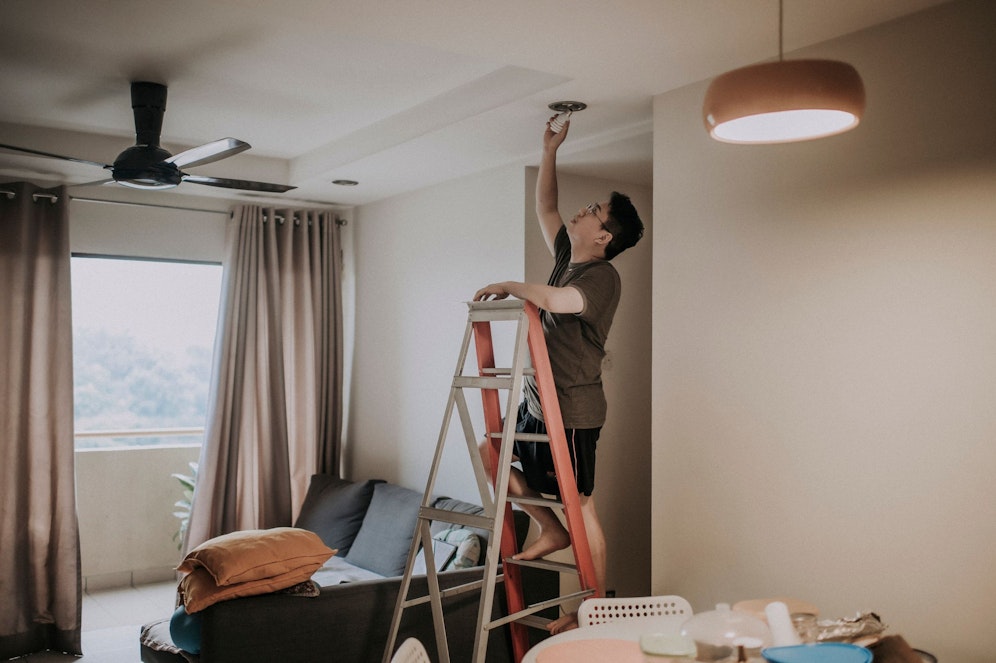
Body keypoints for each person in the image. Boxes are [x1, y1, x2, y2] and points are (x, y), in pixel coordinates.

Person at [473, 114, 644, 633]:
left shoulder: (601, 276)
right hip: (536, 401)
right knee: (491, 452)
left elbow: (560, 301)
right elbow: (546, 205)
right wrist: (549, 151)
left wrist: (509, 282)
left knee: (582, 504)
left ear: (605, 234)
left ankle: (587, 611)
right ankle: (547, 528)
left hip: (571, 409)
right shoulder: (570, 255)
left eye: (596, 210)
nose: (584, 209)